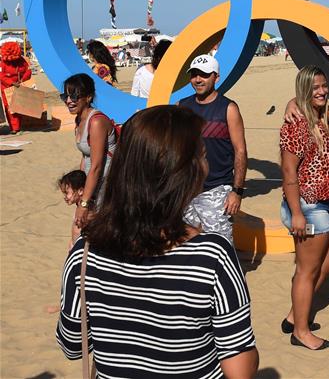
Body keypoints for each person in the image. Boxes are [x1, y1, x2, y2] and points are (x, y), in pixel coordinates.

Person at [57, 105, 258, 377]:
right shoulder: (213, 257)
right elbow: (239, 368)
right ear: (184, 173)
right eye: (201, 155)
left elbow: (72, 344)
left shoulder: (84, 252)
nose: (206, 165)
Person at [279, 66, 329, 350]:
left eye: (323, 85)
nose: (321, 91)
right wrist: (295, 213)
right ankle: (301, 332)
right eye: (314, 87)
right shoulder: (296, 123)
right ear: (304, 89)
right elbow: (289, 173)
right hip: (308, 204)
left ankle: (296, 315)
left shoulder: (324, 117)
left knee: (327, 265)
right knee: (306, 270)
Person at [178, 55, 248, 242]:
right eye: (194, 75)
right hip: (187, 189)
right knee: (188, 244)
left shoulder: (228, 108)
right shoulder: (182, 107)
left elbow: (240, 151)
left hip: (218, 189)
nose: (198, 80)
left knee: (219, 244)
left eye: (204, 75)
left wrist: (237, 191)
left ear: (216, 78)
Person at [62, 73, 116, 233]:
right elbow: (85, 157)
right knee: (80, 228)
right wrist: (79, 186)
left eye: (74, 96)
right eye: (65, 96)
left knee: (90, 229)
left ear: (88, 97)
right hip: (91, 181)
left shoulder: (97, 122)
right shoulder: (79, 120)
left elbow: (97, 165)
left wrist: (85, 202)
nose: (68, 101)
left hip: (106, 182)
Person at [0, 41, 32, 133]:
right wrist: (11, 83)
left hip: (20, 85)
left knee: (20, 106)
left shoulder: (22, 61)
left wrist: (22, 80)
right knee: (10, 107)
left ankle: (18, 125)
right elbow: (1, 76)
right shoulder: (2, 63)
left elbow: (28, 71)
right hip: (6, 88)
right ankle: (14, 128)